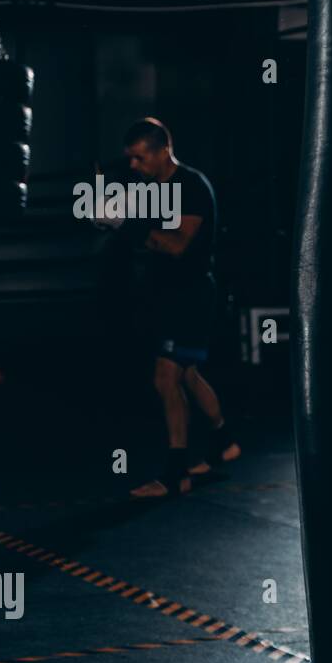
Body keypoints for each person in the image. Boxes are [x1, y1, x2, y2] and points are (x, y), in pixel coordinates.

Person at [119, 118, 241, 498]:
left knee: (165, 377)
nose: (133, 167)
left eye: (139, 158)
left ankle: (176, 475)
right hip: (167, 294)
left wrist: (129, 225)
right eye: (130, 160)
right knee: (186, 374)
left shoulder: (191, 186)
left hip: (189, 295)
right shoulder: (153, 189)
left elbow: (177, 245)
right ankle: (223, 442)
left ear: (162, 151)